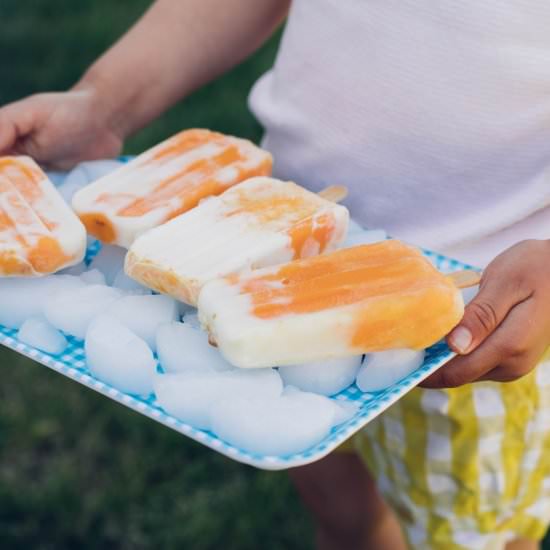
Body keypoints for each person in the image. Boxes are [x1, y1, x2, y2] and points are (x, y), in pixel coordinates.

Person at [3, 2, 550, 548]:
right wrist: (104, 102)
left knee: (482, 538)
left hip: (488, 304)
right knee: (344, 519)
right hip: (281, 249)